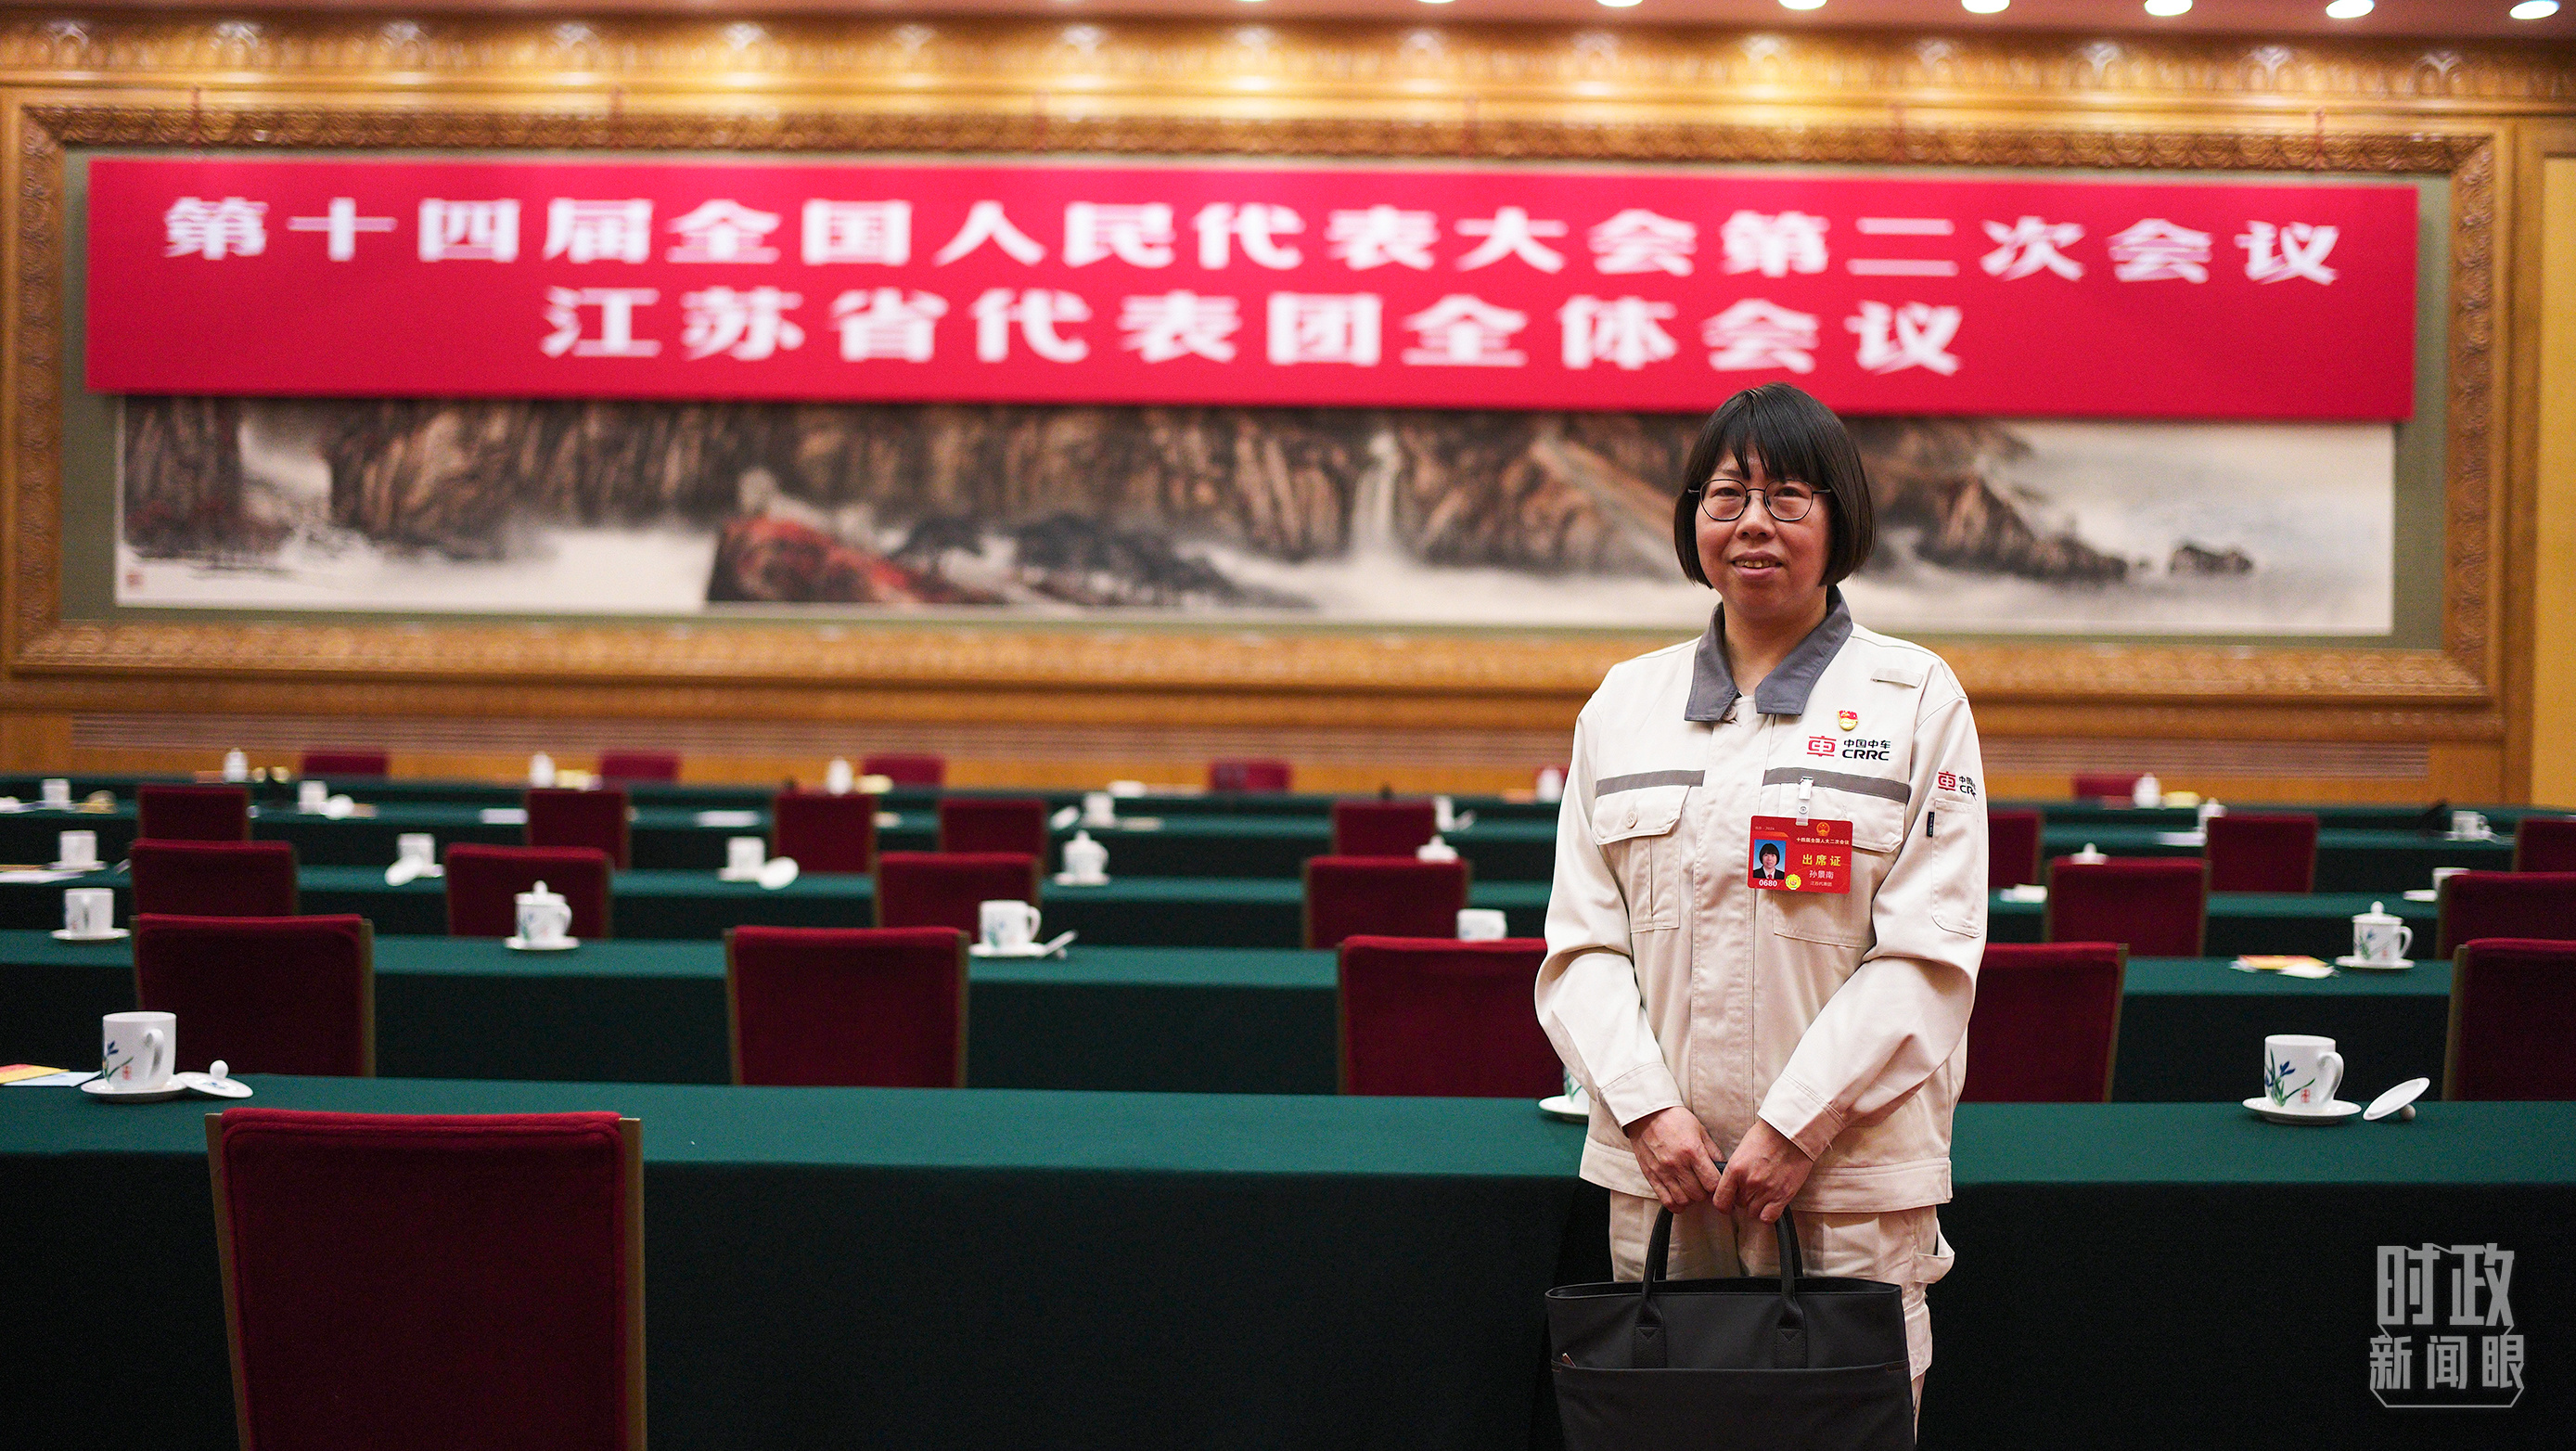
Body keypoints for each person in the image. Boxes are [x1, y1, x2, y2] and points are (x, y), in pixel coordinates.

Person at [1536, 381, 1987, 1414]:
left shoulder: (1913, 697)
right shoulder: (1624, 704)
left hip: (1847, 1180)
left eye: (1786, 496)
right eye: (1725, 495)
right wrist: (1646, 1111)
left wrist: (1792, 1128)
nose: (1751, 522)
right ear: (1692, 518)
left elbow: (1927, 957)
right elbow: (1582, 948)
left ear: (1840, 518)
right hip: (1667, 1180)